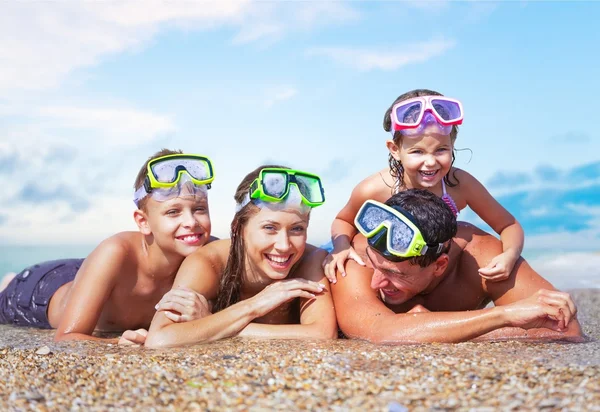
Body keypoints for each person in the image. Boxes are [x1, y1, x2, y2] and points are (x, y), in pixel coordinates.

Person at [0, 149, 216, 344]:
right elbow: (66, 338)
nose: (191, 222)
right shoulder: (116, 251)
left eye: (199, 209)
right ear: (143, 222)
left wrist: (207, 318)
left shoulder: (213, 254)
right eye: (173, 212)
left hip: (90, 272)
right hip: (39, 291)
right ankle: (9, 282)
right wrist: (117, 344)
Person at [323, 89, 524, 284]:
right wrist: (340, 248)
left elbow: (508, 225)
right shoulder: (376, 188)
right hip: (381, 268)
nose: (430, 162)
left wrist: (510, 254)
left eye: (441, 150)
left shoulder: (460, 185)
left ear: (452, 145)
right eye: (417, 152)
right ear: (395, 150)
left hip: (420, 271)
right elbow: (343, 220)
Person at [331, 189, 583, 343]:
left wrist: (434, 329)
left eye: (393, 274)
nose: (375, 283)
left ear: (439, 265)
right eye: (376, 266)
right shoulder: (355, 256)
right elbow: (379, 332)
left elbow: (565, 329)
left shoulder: (483, 257)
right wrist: (502, 316)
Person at [145, 165, 337, 348]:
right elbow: (160, 339)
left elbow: (323, 334)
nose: (284, 245)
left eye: (297, 229)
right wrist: (255, 305)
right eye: (269, 228)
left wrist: (212, 322)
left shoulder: (311, 260)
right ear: (238, 228)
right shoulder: (208, 263)